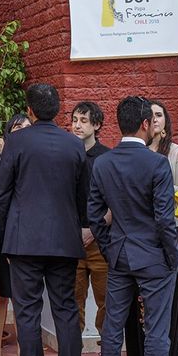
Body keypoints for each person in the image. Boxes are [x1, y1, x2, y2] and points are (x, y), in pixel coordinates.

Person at [0, 84, 88, 356]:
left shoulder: (16, 142)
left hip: (24, 241)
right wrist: (81, 225)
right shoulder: (74, 143)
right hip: (64, 239)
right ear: (58, 110)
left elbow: (3, 195)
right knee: (66, 308)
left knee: (27, 311)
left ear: (30, 111)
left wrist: (5, 236)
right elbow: (83, 194)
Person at [88, 96, 178, 356]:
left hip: (119, 255)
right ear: (145, 124)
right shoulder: (157, 163)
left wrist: (109, 249)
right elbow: (164, 218)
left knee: (113, 329)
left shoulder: (103, 163)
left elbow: (95, 216)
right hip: (153, 256)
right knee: (156, 332)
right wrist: (172, 255)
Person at [124, 99, 178, 356]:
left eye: (160, 115)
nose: (155, 119)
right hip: (138, 235)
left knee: (167, 306)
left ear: (166, 121)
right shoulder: (135, 153)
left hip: (167, 233)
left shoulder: (175, 153)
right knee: (137, 306)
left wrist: (154, 187)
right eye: (151, 115)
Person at [0, 113, 30, 356]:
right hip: (1, 233)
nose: (20, 132)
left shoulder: (34, 155)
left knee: (23, 296)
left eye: (25, 127)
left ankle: (24, 351)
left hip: (25, 234)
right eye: (16, 128)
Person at [70, 101, 110, 341]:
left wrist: (94, 231)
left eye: (84, 120)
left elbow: (115, 202)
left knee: (107, 301)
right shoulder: (65, 154)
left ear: (96, 125)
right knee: (72, 302)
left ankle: (107, 346)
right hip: (71, 240)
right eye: (75, 119)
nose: (77, 125)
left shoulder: (107, 157)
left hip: (101, 241)